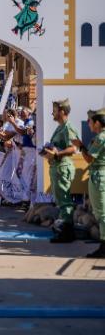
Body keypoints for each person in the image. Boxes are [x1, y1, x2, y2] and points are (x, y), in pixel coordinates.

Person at [43, 98, 79, 243]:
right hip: (57, 167)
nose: (52, 113)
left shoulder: (67, 127)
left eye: (55, 110)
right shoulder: (60, 127)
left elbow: (73, 148)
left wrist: (57, 154)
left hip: (63, 167)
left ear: (62, 111)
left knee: (65, 201)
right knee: (61, 200)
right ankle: (64, 230)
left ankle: (68, 233)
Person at [72, 108, 105, 258]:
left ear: (98, 122)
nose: (88, 123)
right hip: (98, 175)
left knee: (102, 212)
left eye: (91, 121)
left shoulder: (101, 138)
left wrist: (80, 146)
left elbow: (90, 159)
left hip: (100, 177)